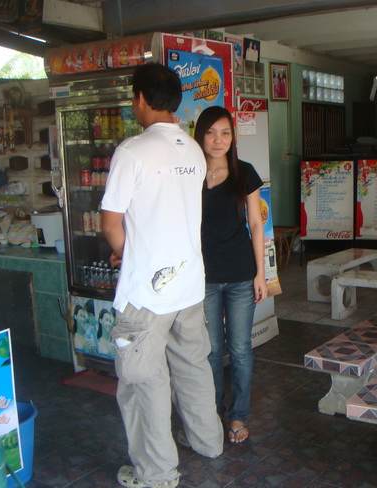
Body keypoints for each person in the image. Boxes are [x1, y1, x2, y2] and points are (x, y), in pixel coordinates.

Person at [101, 63, 223, 488]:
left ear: (140, 99)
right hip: (189, 284)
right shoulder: (191, 148)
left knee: (143, 382)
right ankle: (208, 441)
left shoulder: (132, 151)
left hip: (146, 295)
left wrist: (126, 254)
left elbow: (111, 223)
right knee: (192, 365)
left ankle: (155, 474)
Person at [193, 106, 267, 445]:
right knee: (210, 350)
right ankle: (211, 414)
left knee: (239, 349)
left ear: (233, 136)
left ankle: (238, 414)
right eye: (211, 132)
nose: (218, 139)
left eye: (225, 132)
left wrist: (260, 275)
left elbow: (255, 223)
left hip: (240, 275)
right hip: (203, 277)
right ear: (200, 135)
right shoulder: (189, 173)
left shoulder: (245, 173)